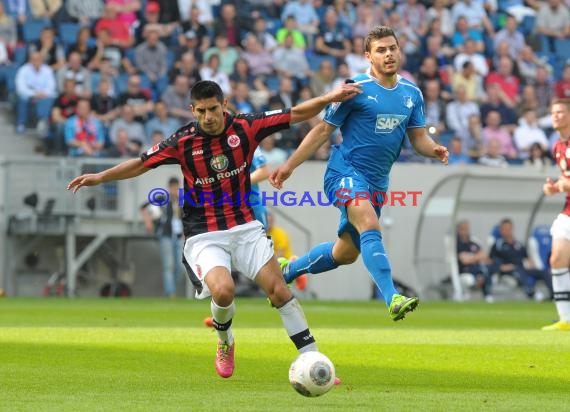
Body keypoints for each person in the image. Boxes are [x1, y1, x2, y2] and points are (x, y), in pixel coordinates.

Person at [67, 79, 360, 379]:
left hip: (245, 226)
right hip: (204, 233)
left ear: (225, 105)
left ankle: (313, 362)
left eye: (214, 109)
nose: (208, 116)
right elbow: (141, 164)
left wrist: (329, 96)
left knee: (279, 291)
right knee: (223, 291)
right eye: (202, 111)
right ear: (192, 110)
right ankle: (225, 340)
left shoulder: (247, 126)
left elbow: (295, 113)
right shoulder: (182, 141)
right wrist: (100, 177)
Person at [269, 26, 448, 321]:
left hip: (377, 182)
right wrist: (289, 166)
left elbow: (417, 139)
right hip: (345, 172)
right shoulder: (355, 88)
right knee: (369, 223)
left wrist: (435, 149)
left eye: (392, 48)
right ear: (368, 56)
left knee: (345, 253)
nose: (388, 54)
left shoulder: (411, 94)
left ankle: (290, 269)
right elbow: (324, 130)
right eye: (381, 50)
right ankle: (392, 297)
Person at [542, 98, 570, 331]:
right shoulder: (558, 147)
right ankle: (565, 320)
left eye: (560, 112)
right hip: (568, 210)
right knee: (557, 259)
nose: (556, 116)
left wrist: (563, 185)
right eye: (553, 112)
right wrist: (554, 187)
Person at [140, 177, 185, 298]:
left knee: (180, 267)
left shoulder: (182, 200)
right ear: (169, 188)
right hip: (165, 235)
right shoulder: (163, 199)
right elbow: (144, 207)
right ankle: (170, 293)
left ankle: (171, 290)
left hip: (179, 236)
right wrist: (148, 221)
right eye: (173, 187)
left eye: (177, 187)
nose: (175, 190)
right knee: (168, 265)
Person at [456, 220, 493, 302]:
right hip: (464, 270)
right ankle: (466, 294)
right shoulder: (456, 244)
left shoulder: (473, 242)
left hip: (477, 268)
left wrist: (472, 257)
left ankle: (488, 296)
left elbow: (485, 256)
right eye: (463, 229)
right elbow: (464, 260)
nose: (465, 231)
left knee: (486, 269)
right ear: (458, 230)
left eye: (467, 229)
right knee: (472, 277)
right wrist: (477, 257)